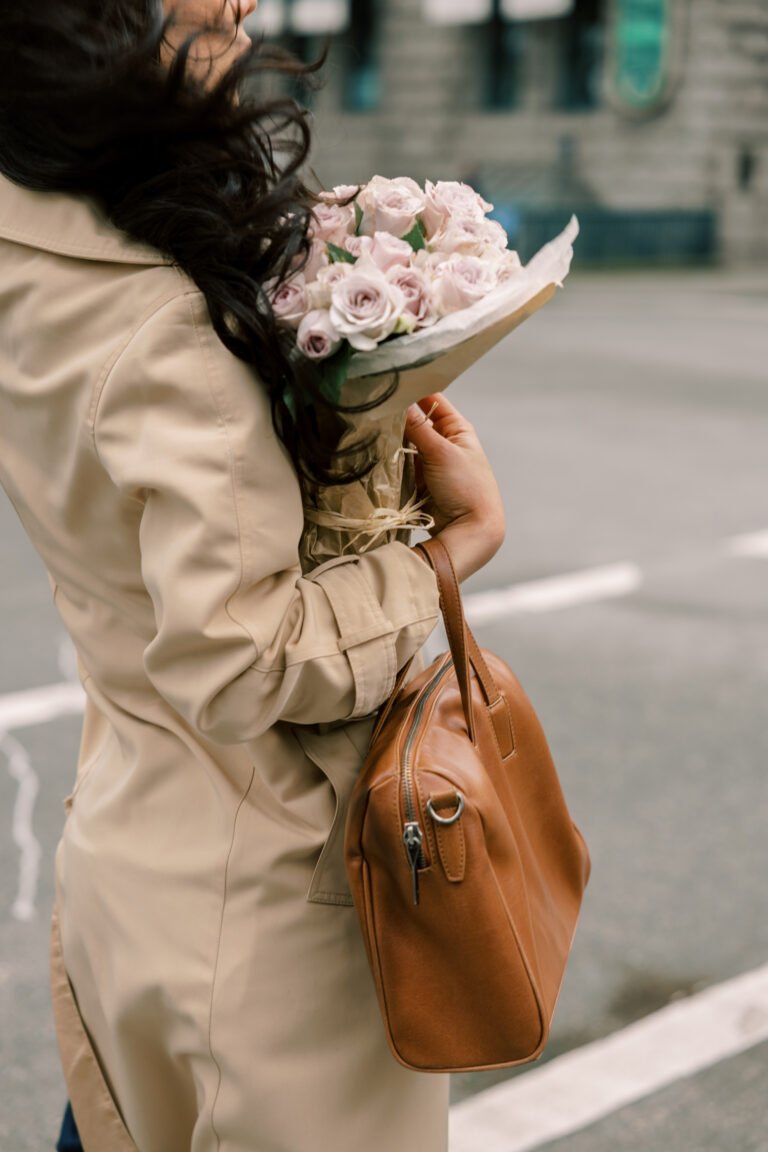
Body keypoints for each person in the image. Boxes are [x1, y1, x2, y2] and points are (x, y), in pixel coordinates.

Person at [0, 2, 505, 1149]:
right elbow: (238, 653)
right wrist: (444, 557)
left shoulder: (33, 242)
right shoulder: (164, 320)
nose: (240, 2)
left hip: (133, 848)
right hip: (255, 906)